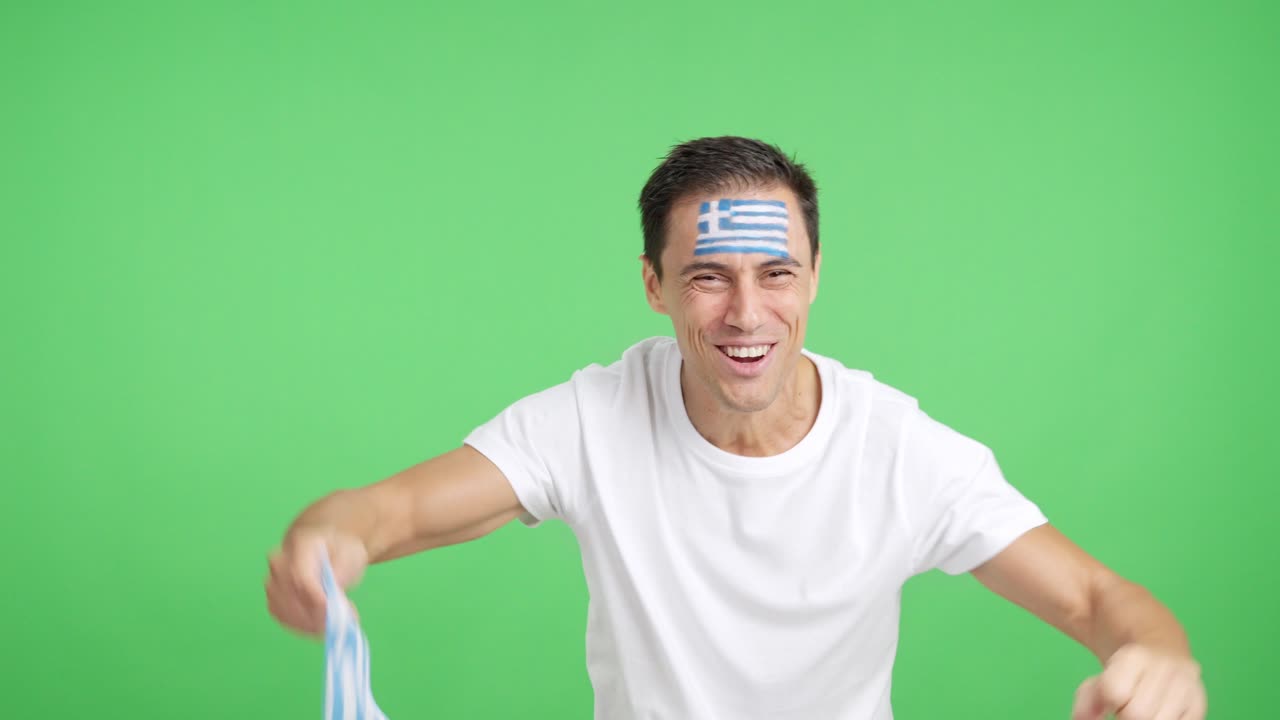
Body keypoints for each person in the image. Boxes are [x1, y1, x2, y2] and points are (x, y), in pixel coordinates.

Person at [264, 136, 1207, 720]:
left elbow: (1095, 597)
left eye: (777, 274)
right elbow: (387, 513)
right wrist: (328, 541)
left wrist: (1158, 656)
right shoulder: (594, 418)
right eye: (710, 276)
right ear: (655, 287)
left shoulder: (899, 450)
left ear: (815, 274)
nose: (746, 313)